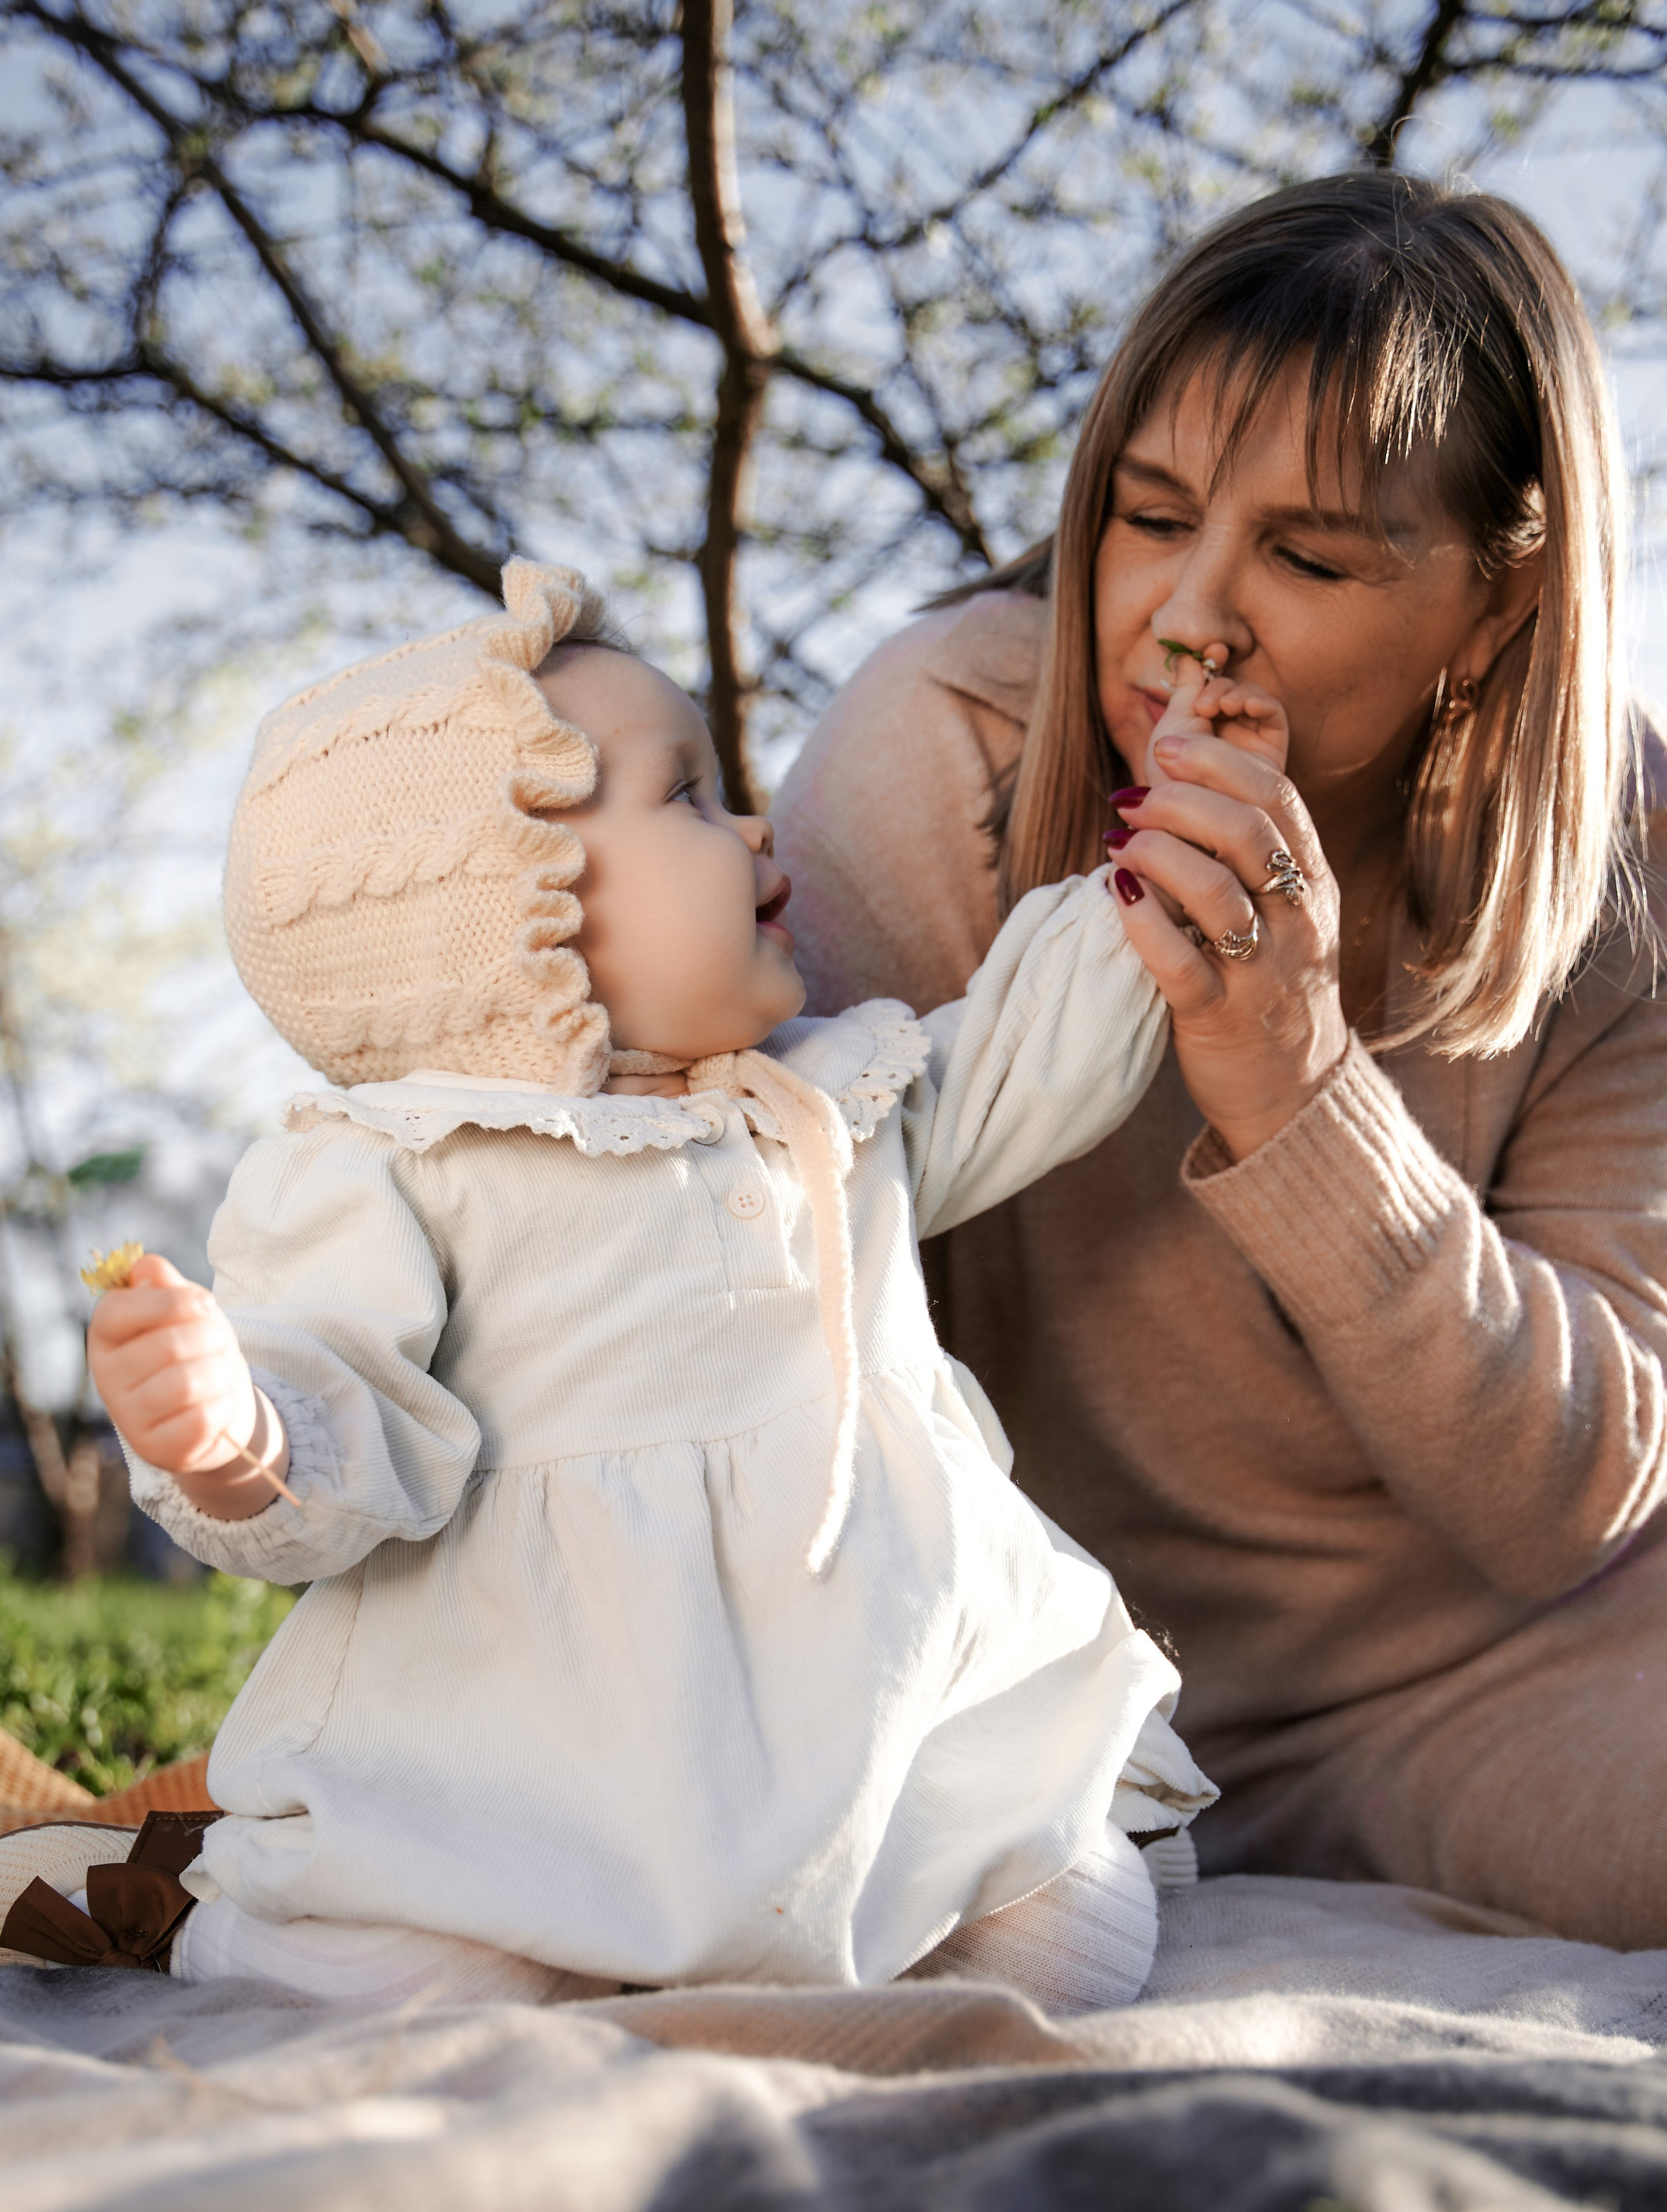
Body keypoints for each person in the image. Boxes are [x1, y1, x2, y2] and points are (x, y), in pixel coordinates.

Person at [0, 559, 1212, 2011]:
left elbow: (1029, 1048)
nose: (754, 823)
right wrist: (237, 1426)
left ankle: (894, 1892)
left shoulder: (832, 1094)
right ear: (523, 912)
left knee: (1077, 1939)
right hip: (534, 1751)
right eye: (689, 795)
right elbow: (340, 1397)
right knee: (399, 1964)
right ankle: (191, 1902)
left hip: (870, 1712)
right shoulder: (410, 1164)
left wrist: (1157, 876)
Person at [776, 169, 1667, 1950]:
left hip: (1507, 1677)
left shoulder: (1617, 849)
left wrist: (1298, 1081)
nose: (1189, 620)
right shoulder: (940, 760)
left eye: (1313, 557)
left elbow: (1579, 1496)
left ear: (1498, 607)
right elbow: (762, 1332)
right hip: (1065, 1707)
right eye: (1151, 515)